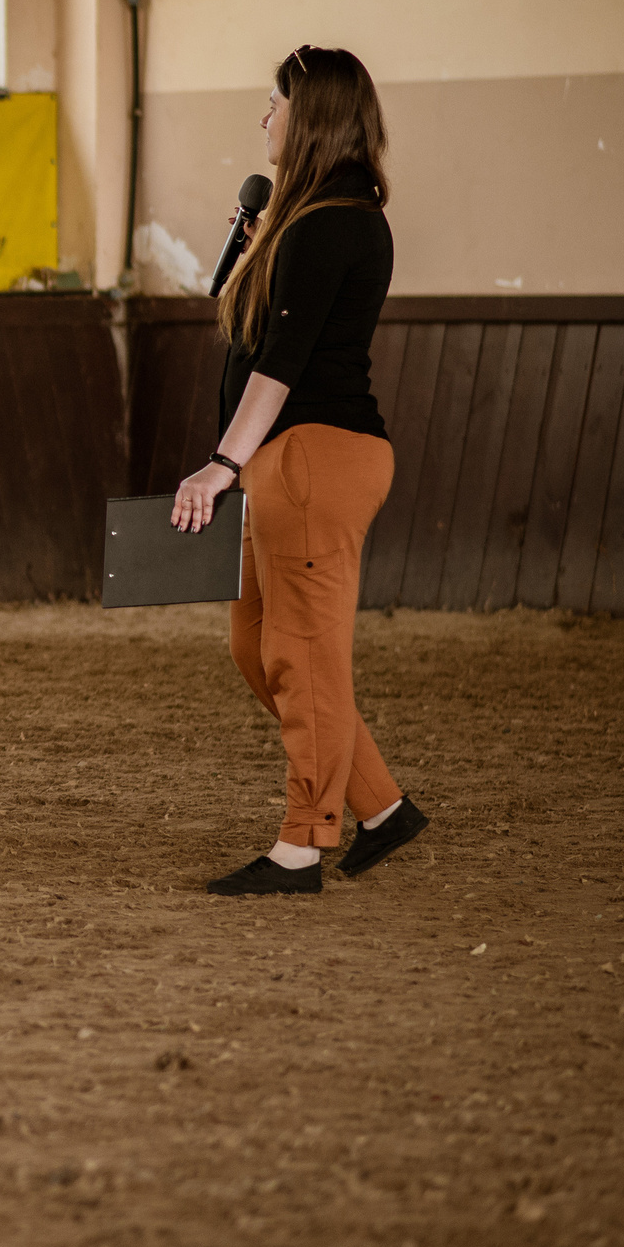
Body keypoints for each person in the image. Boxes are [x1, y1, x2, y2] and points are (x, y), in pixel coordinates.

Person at [171, 45, 429, 897]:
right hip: (283, 463)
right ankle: (381, 807)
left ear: (309, 116)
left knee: (301, 653)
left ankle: (300, 845)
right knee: (258, 648)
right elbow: (260, 339)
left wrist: (221, 463)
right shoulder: (304, 223)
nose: (265, 117)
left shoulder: (333, 224)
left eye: (276, 103)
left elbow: (280, 366)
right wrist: (259, 250)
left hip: (316, 456)